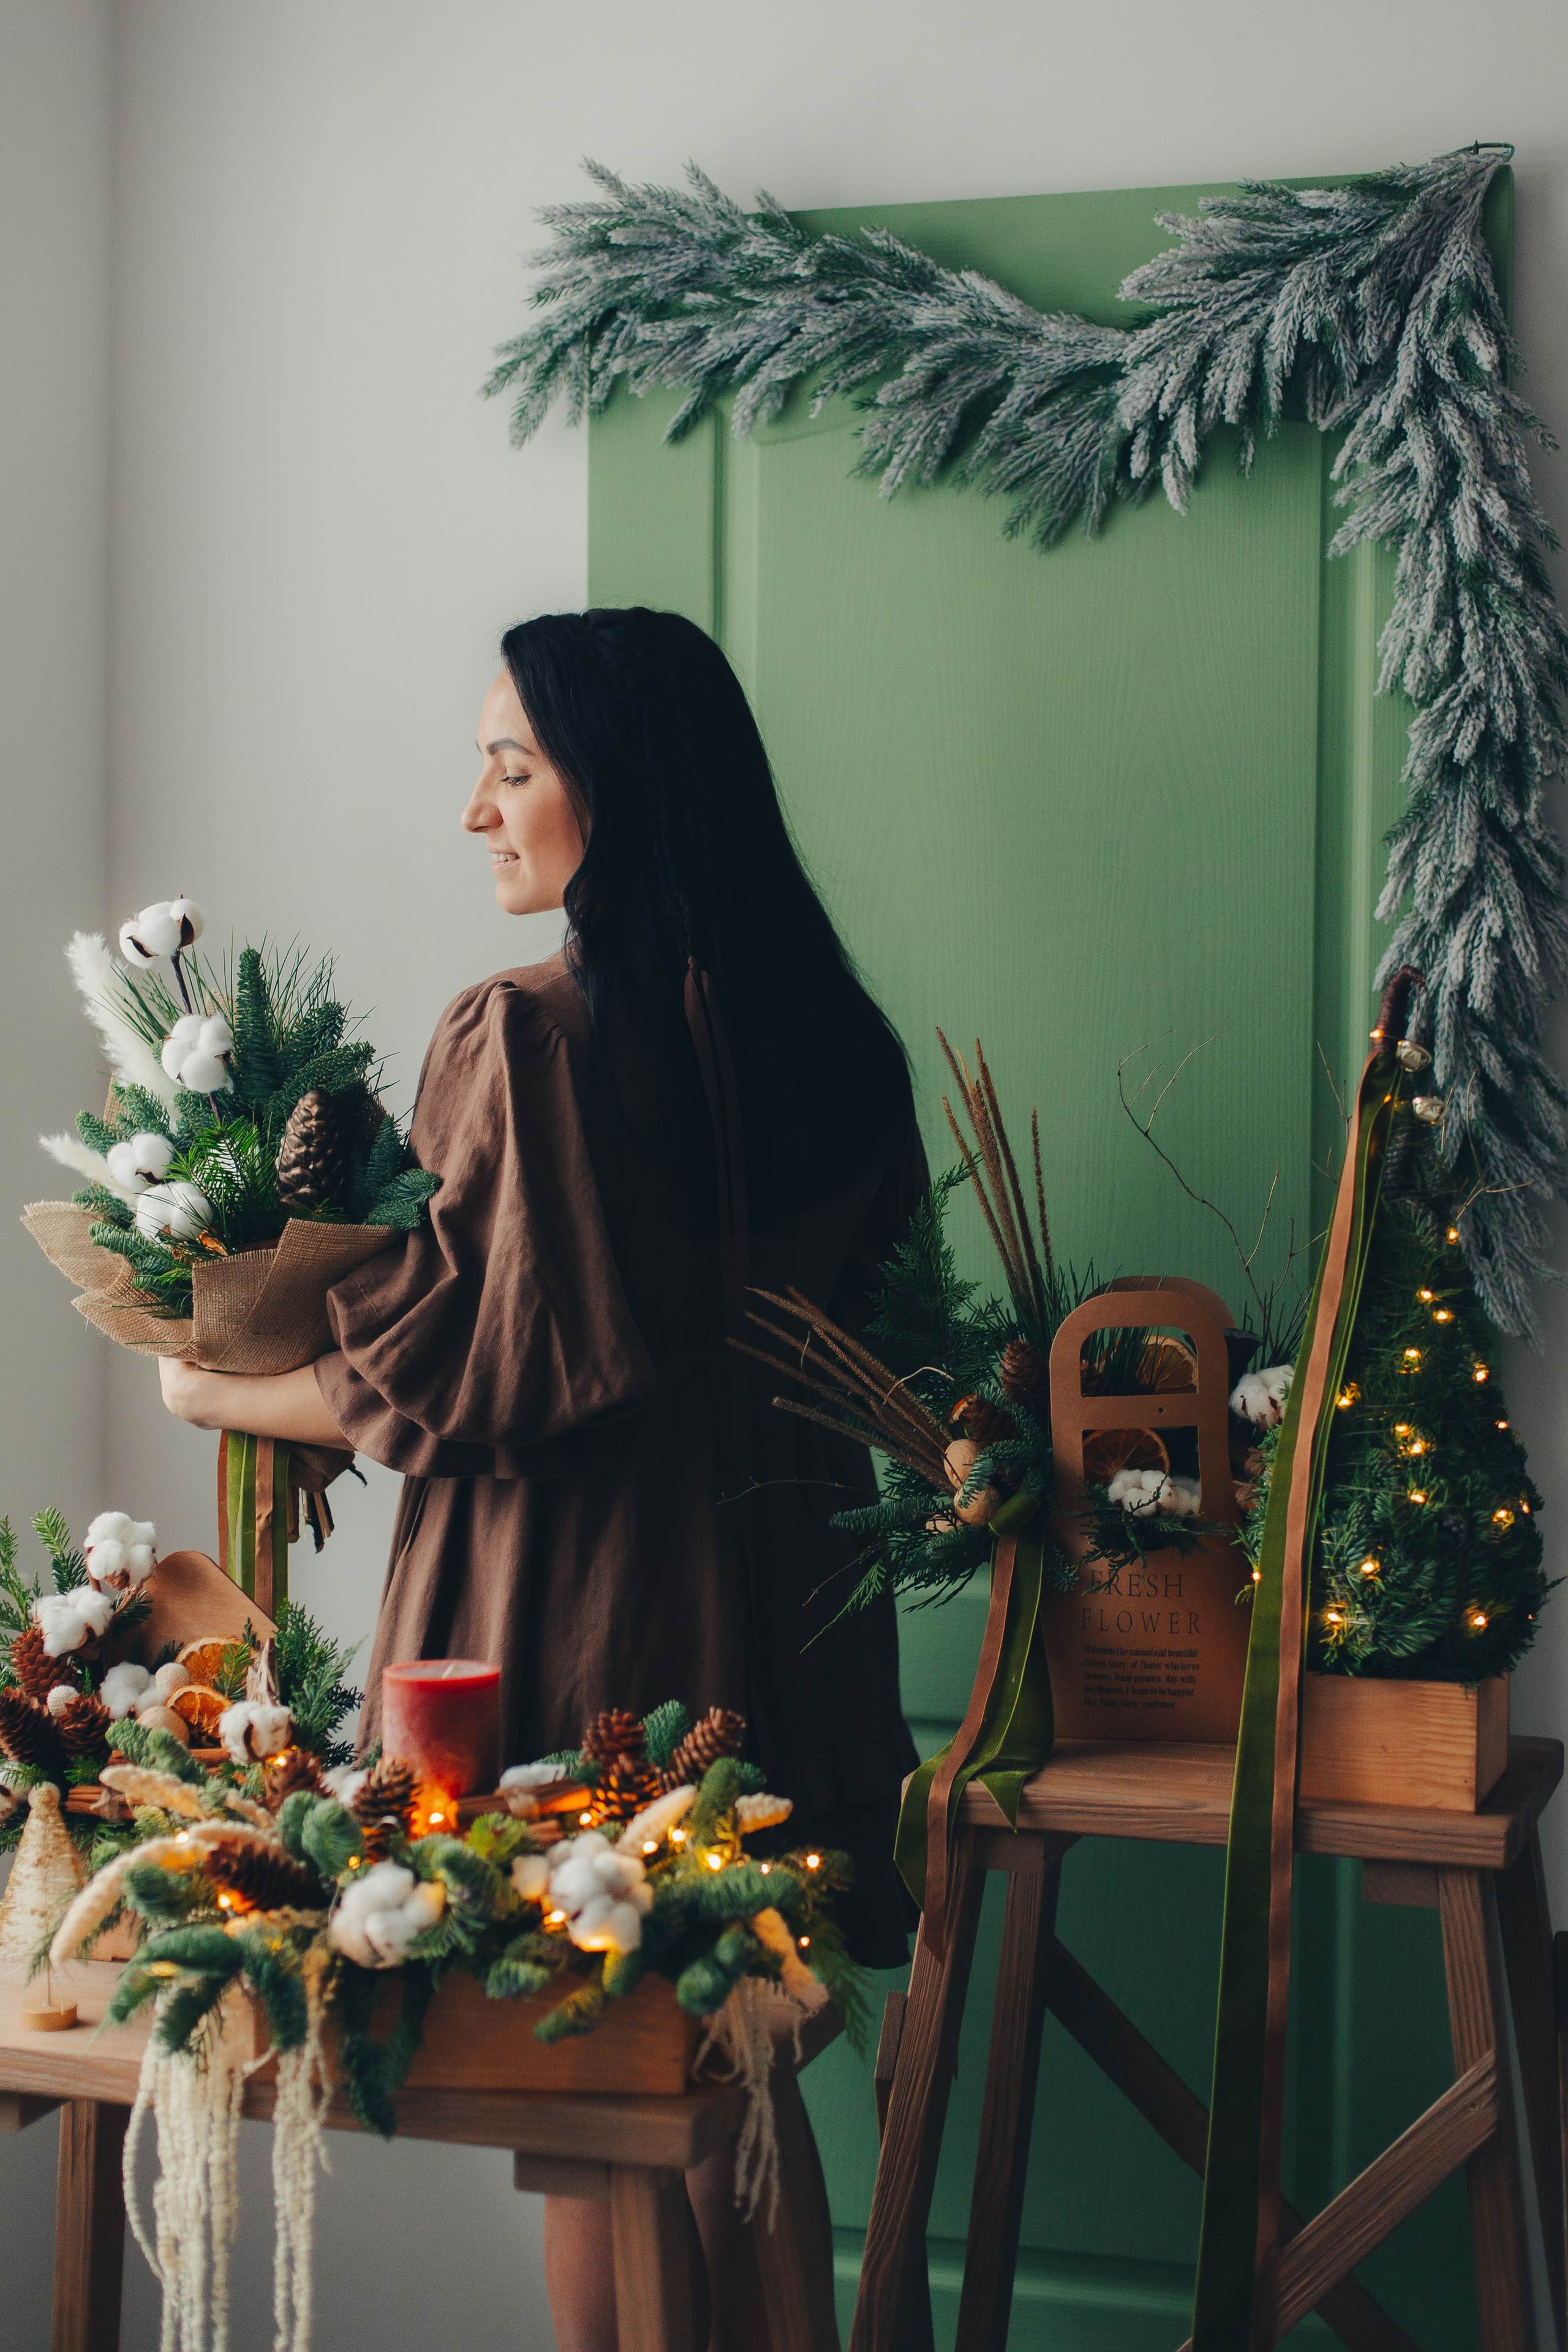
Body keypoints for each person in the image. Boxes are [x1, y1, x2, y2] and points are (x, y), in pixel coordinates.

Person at [157, 606, 924, 2351]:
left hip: (585, 1629)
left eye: (514, 764)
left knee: (595, 2107)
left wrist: (207, 1376)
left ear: (623, 792)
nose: (476, 808)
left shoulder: (530, 1038)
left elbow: (467, 1374)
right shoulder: (845, 1052)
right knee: (738, 2073)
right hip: (787, 1628)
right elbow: (895, 1357)